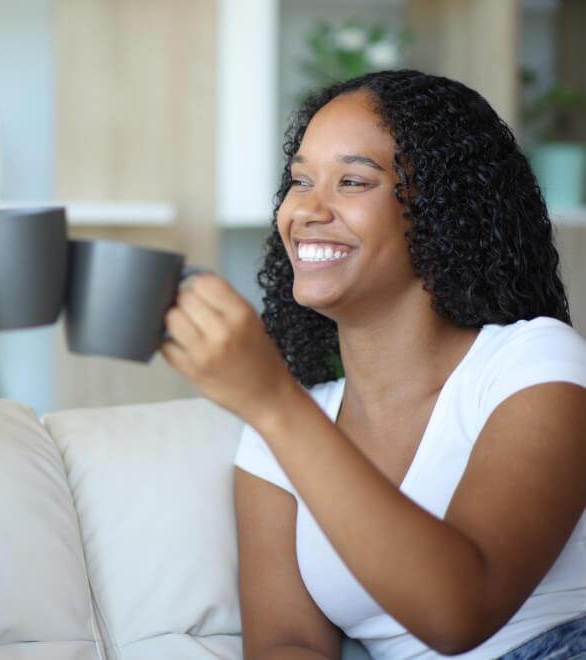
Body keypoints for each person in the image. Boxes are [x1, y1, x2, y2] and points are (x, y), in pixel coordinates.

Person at [161, 69, 586, 659]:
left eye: (353, 181)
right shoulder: (279, 434)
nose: (306, 209)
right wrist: (274, 410)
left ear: (442, 209)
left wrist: (270, 399)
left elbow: (462, 610)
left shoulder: (533, 361)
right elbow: (288, 643)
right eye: (299, 180)